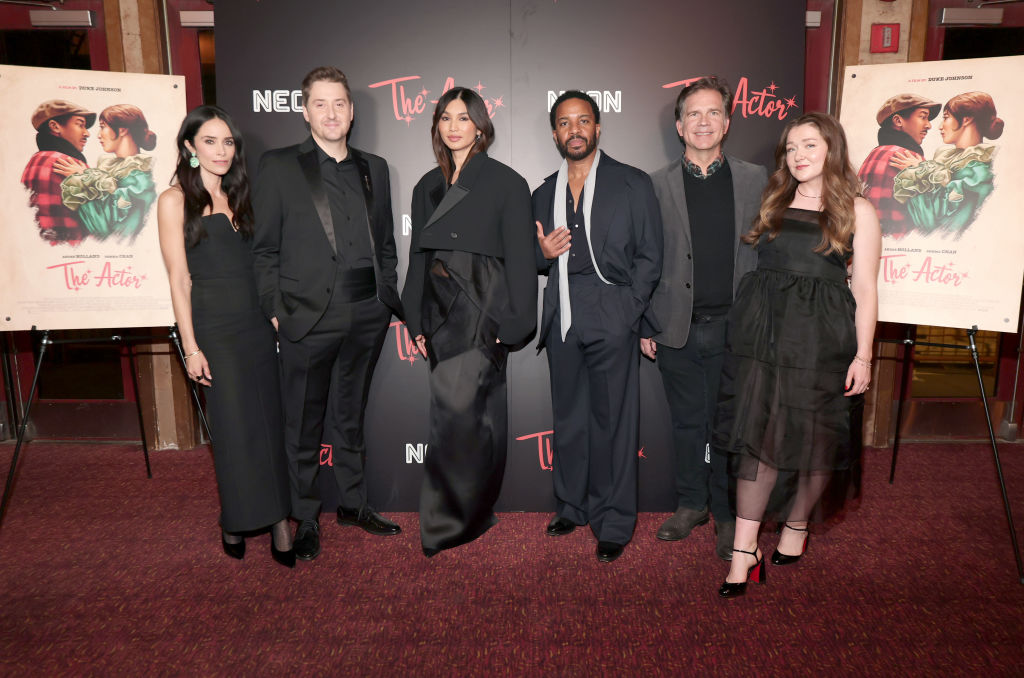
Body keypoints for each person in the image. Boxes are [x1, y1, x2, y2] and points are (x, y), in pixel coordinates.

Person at [714, 112, 880, 598]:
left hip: (822, 338)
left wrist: (863, 356)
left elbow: (865, 289)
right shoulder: (775, 197)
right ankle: (745, 551)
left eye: (809, 145)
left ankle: (798, 523)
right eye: (790, 148)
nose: (798, 155)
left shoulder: (857, 209)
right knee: (757, 441)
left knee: (815, 443)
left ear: (831, 149)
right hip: (763, 338)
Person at [252, 66, 404, 562]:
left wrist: (385, 297)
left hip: (367, 313)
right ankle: (306, 516)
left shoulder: (375, 168)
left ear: (352, 110)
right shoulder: (279, 166)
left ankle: (354, 504)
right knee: (303, 422)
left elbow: (385, 243)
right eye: (320, 103)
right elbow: (264, 249)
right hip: (307, 316)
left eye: (339, 103)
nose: (331, 113)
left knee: (350, 413)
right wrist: (276, 311)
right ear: (305, 111)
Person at [401, 87, 536, 556]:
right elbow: (418, 260)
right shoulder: (426, 186)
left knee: (470, 416)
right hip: (439, 314)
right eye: (445, 118)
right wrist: (414, 318)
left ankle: (452, 520)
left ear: (480, 125)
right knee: (454, 418)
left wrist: (517, 322)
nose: (453, 126)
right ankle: (469, 513)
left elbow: (521, 259)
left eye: (463, 117)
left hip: (482, 308)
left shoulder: (506, 182)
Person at [157, 105, 293, 567]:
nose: (221, 151)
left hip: (257, 325)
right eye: (210, 141)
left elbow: (265, 262)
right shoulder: (174, 200)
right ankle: (235, 519)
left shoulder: (243, 196)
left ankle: (278, 520)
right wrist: (190, 347)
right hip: (214, 329)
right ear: (190, 147)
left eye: (228, 142)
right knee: (234, 431)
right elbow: (179, 280)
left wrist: (274, 315)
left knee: (269, 424)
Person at [642, 76, 768, 560]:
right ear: (679, 126)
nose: (703, 121)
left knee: (729, 428)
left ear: (727, 122)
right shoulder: (655, 184)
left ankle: (727, 513)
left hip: (737, 328)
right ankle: (691, 503)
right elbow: (643, 257)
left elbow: (770, 249)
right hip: (675, 328)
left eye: (713, 112)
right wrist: (645, 323)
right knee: (686, 423)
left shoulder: (756, 179)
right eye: (693, 113)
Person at [534, 90, 662, 563]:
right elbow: (533, 259)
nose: (575, 130)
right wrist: (541, 255)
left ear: (598, 128)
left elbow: (651, 254)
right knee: (569, 419)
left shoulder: (632, 183)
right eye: (565, 123)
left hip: (613, 313)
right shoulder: (543, 192)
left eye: (583, 121)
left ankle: (614, 521)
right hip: (563, 316)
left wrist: (628, 311)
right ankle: (572, 506)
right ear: (554, 134)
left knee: (614, 424)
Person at [891, 92, 1003, 239]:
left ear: (966, 120)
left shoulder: (978, 168)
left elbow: (936, 223)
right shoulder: (947, 157)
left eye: (946, 117)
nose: (939, 127)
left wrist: (921, 170)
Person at [61, 104, 158, 243]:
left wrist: (84, 178)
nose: (98, 135)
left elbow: (104, 228)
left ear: (122, 130)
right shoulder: (109, 166)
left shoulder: (139, 176)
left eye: (103, 126)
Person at [857, 94, 939, 239]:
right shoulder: (911, 159)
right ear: (898, 121)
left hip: (870, 241)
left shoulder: (873, 155)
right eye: (923, 117)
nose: (929, 125)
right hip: (903, 245)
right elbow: (932, 217)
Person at [21, 99, 95, 245]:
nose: (87, 133)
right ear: (55, 126)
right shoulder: (73, 166)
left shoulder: (34, 162)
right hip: (75, 246)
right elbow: (102, 219)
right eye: (80, 125)